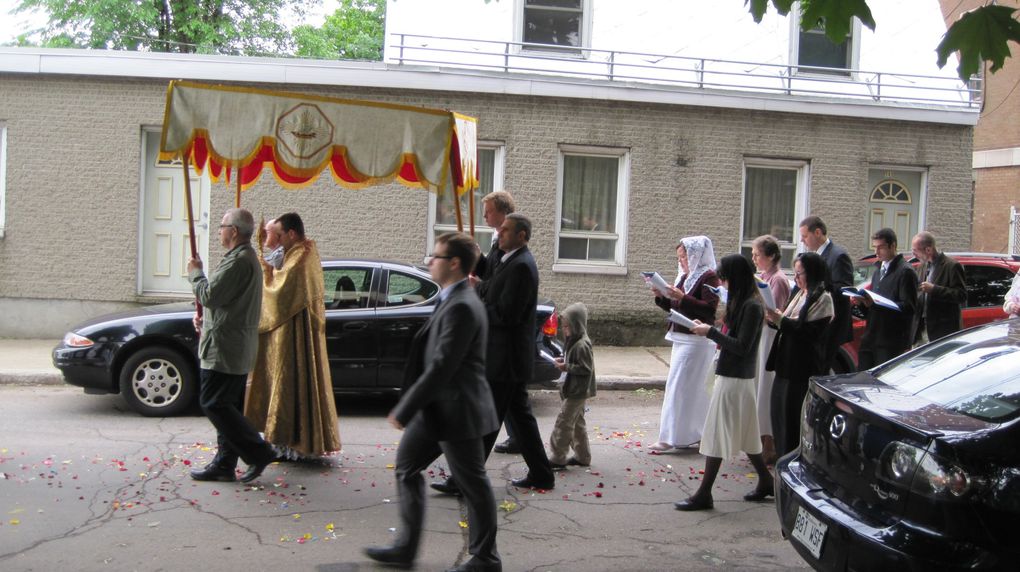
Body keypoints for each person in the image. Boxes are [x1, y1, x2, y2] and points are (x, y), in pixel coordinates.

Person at [364, 232, 501, 572]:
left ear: (454, 263)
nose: (429, 262)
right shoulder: (452, 298)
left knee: (473, 484)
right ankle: (405, 548)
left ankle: (485, 558)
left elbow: (443, 366)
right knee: (407, 468)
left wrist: (406, 406)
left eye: (435, 256)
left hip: (458, 409)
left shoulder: (464, 306)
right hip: (437, 408)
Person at [432, 213, 556, 494]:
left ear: (522, 236)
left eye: (505, 231)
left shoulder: (523, 266)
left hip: (506, 358)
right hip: (503, 358)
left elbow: (507, 314)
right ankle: (541, 474)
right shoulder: (505, 256)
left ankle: (464, 479)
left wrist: (477, 296)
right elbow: (491, 274)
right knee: (521, 420)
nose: (499, 234)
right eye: (500, 230)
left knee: (486, 421)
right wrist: (476, 257)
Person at [676, 254, 773, 511]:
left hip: (736, 378)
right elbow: (730, 337)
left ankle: (704, 493)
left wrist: (711, 332)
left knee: (717, 434)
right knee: (748, 433)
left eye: (726, 279)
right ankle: (766, 480)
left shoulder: (752, 306)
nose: (723, 284)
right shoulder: (741, 303)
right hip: (732, 375)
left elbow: (742, 346)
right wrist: (709, 328)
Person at [187, 207, 276, 484]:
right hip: (230, 342)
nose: (220, 231)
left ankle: (258, 451)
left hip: (226, 347)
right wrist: (205, 318)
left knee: (213, 402)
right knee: (227, 405)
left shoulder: (239, 261)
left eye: (222, 226)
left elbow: (210, 294)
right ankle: (225, 463)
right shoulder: (241, 258)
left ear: (234, 231)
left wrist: (196, 273)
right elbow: (224, 303)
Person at [244, 212, 341, 461]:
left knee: (293, 383)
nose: (272, 240)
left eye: (276, 234)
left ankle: (296, 444)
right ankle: (286, 442)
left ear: (291, 234)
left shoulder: (302, 256)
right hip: (289, 330)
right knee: (286, 383)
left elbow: (281, 289)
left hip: (298, 333)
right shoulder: (294, 254)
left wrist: (265, 271)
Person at [648, 236, 719, 453]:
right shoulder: (685, 276)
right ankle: (690, 433)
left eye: (685, 257)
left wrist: (683, 297)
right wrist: (661, 297)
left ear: (696, 255)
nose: (682, 262)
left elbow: (710, 309)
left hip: (697, 340)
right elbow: (676, 306)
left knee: (680, 386)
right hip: (682, 337)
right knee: (686, 387)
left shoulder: (708, 276)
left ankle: (671, 436)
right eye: (679, 258)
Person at [764, 252, 833, 458]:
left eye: (800, 273)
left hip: (801, 367)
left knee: (792, 419)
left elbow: (807, 332)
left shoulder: (823, 298)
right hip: (784, 364)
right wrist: (774, 318)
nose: (796, 278)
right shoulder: (800, 293)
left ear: (811, 273)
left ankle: (791, 460)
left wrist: (780, 320)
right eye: (794, 273)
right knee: (779, 415)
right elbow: (787, 321)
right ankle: (781, 456)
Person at [471, 190, 519, 455]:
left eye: (488, 211)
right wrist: (479, 260)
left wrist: (478, 287)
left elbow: (494, 283)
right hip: (503, 346)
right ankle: (537, 467)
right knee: (516, 406)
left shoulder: (513, 251)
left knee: (497, 405)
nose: (484, 216)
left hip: (505, 345)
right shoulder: (499, 243)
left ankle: (468, 469)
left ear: (502, 212)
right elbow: (490, 272)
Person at [750, 235, 790, 464]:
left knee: (766, 387)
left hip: (770, 336)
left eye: (757, 255)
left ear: (771, 256)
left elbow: (775, 313)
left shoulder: (778, 280)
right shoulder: (764, 277)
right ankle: (761, 438)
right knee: (759, 387)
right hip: (761, 335)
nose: (754, 259)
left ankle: (770, 443)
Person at [855, 228, 919, 370]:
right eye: (875, 247)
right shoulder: (878, 270)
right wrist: (862, 303)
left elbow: (908, 308)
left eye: (881, 247)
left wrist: (876, 304)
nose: (877, 252)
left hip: (890, 342)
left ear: (893, 246)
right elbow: (873, 309)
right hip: (871, 337)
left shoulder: (905, 272)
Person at [799, 216, 854, 371]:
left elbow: (843, 290)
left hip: (830, 325)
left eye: (805, 236)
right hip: (817, 324)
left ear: (817, 232)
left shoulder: (838, 256)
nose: (803, 241)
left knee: (822, 368)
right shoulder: (815, 256)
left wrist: (815, 291)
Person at [548, 302, 596, 469]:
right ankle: (583, 456)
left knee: (564, 422)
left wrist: (566, 367)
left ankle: (558, 457)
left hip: (577, 391)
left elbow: (585, 368)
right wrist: (565, 361)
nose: (565, 330)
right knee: (577, 423)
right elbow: (575, 361)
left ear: (577, 325)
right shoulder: (574, 341)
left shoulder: (582, 344)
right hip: (574, 389)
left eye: (567, 327)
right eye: (564, 327)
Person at [911, 231, 966, 344]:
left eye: (916, 250)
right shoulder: (922, 266)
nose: (914, 255)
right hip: (921, 328)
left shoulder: (951, 266)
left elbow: (961, 295)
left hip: (942, 330)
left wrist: (934, 289)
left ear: (928, 250)